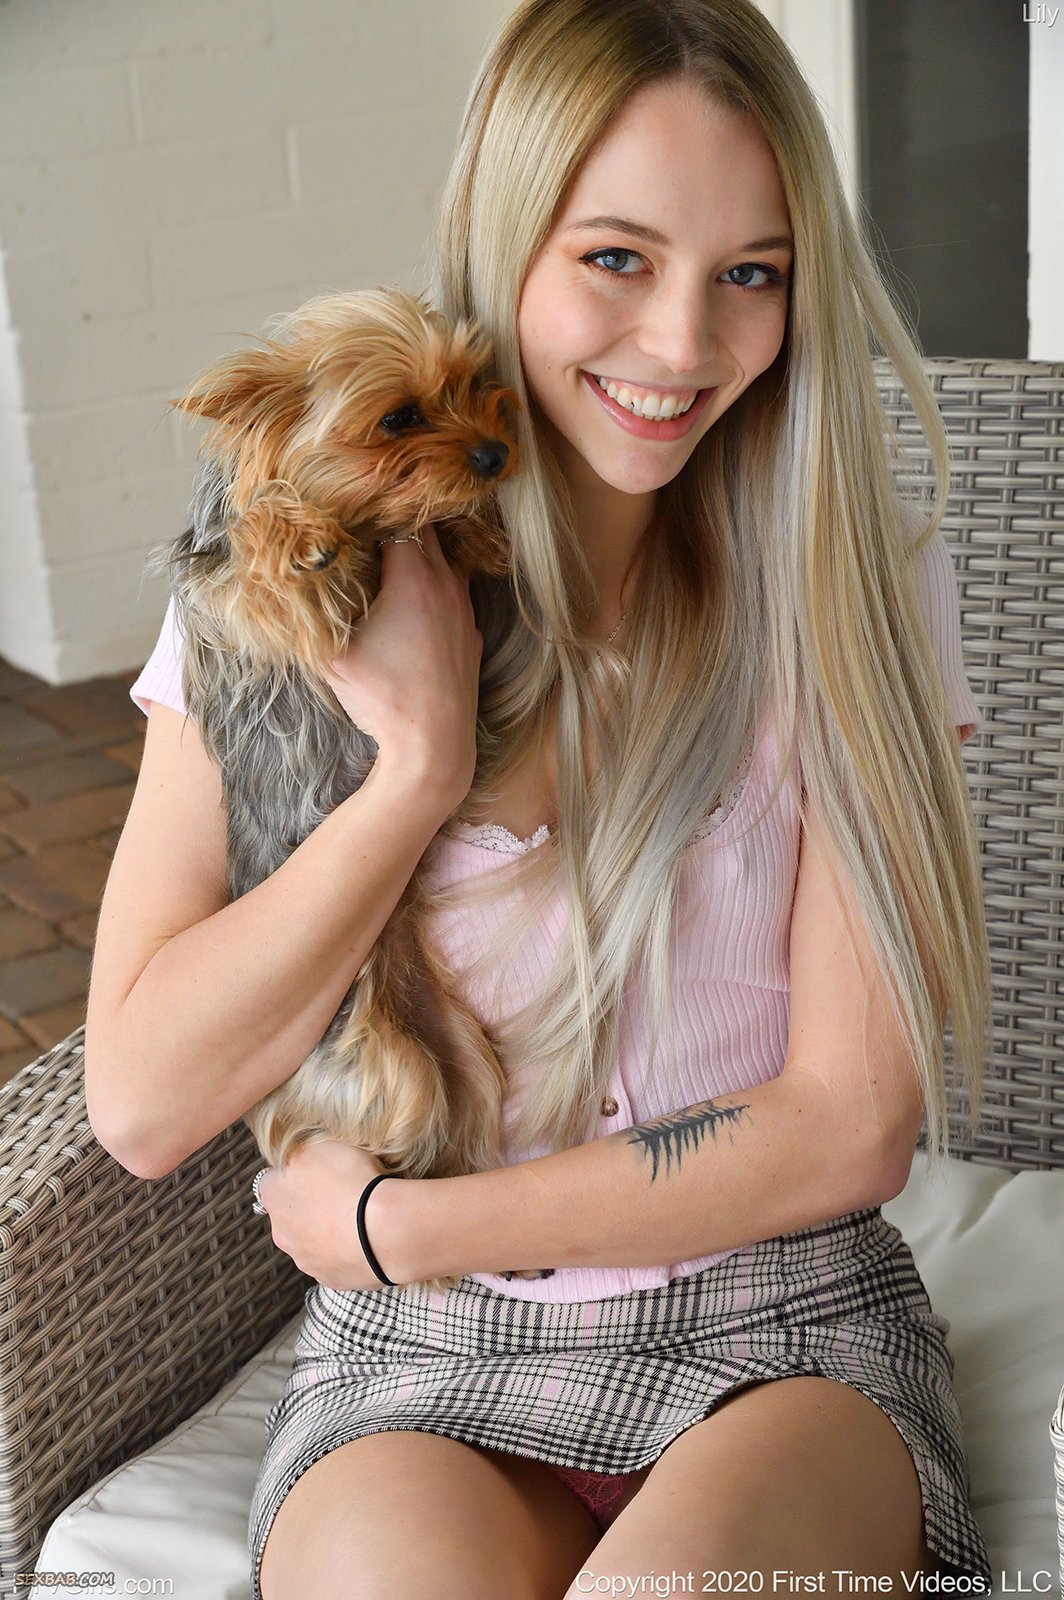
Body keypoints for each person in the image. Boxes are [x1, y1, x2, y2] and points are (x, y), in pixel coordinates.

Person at [87, 1, 994, 1594]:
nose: (684, 346)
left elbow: (851, 1128)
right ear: (506, 238)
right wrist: (413, 779)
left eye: (754, 274)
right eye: (618, 259)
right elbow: (146, 1104)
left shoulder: (855, 587)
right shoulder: (286, 585)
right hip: (418, 1370)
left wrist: (406, 1233)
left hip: (779, 1327)